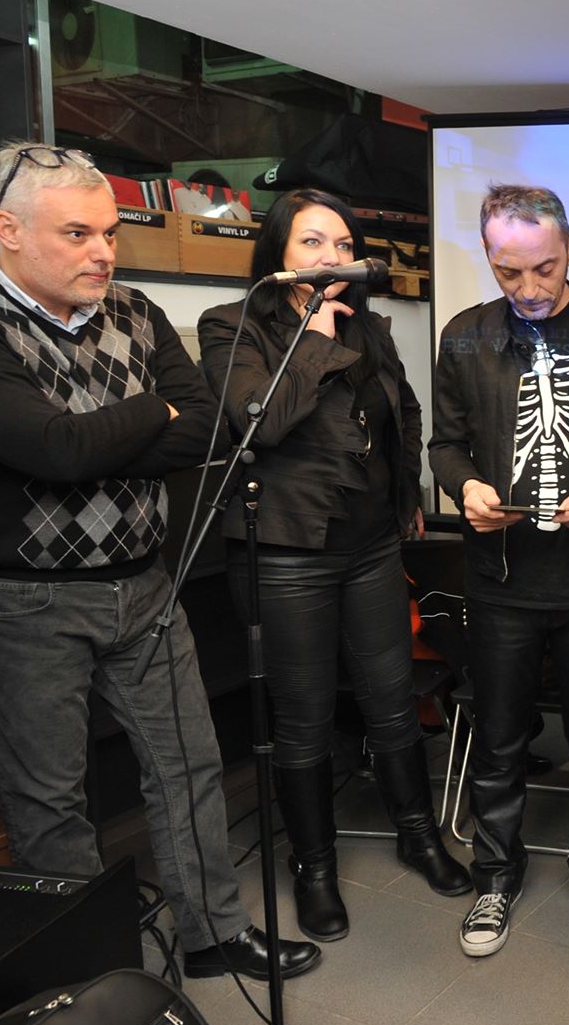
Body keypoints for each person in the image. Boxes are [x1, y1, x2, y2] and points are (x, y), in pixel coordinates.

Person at [0, 142, 318, 981]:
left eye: (111, 233)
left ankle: (214, 935)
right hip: (19, 602)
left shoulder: (134, 310)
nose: (102, 253)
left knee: (189, 765)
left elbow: (204, 429)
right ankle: (92, 977)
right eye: (78, 234)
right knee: (48, 800)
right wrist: (148, 412)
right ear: (8, 229)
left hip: (144, 584)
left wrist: (97, 440)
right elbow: (51, 448)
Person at [195, 188, 468, 944]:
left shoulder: (369, 327)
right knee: (304, 716)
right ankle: (313, 867)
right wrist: (315, 334)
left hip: (370, 545)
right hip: (287, 552)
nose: (332, 257)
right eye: (313, 243)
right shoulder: (232, 326)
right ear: (278, 255)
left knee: (391, 698)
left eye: (343, 244)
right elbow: (261, 422)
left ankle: (419, 835)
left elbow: (403, 412)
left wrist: (406, 494)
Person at [428, 184, 569, 957]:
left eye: (545, 269)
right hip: (502, 579)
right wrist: (466, 487)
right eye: (508, 272)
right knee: (499, 740)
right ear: (488, 257)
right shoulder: (465, 337)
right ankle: (495, 876)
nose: (528, 289)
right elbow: (445, 444)